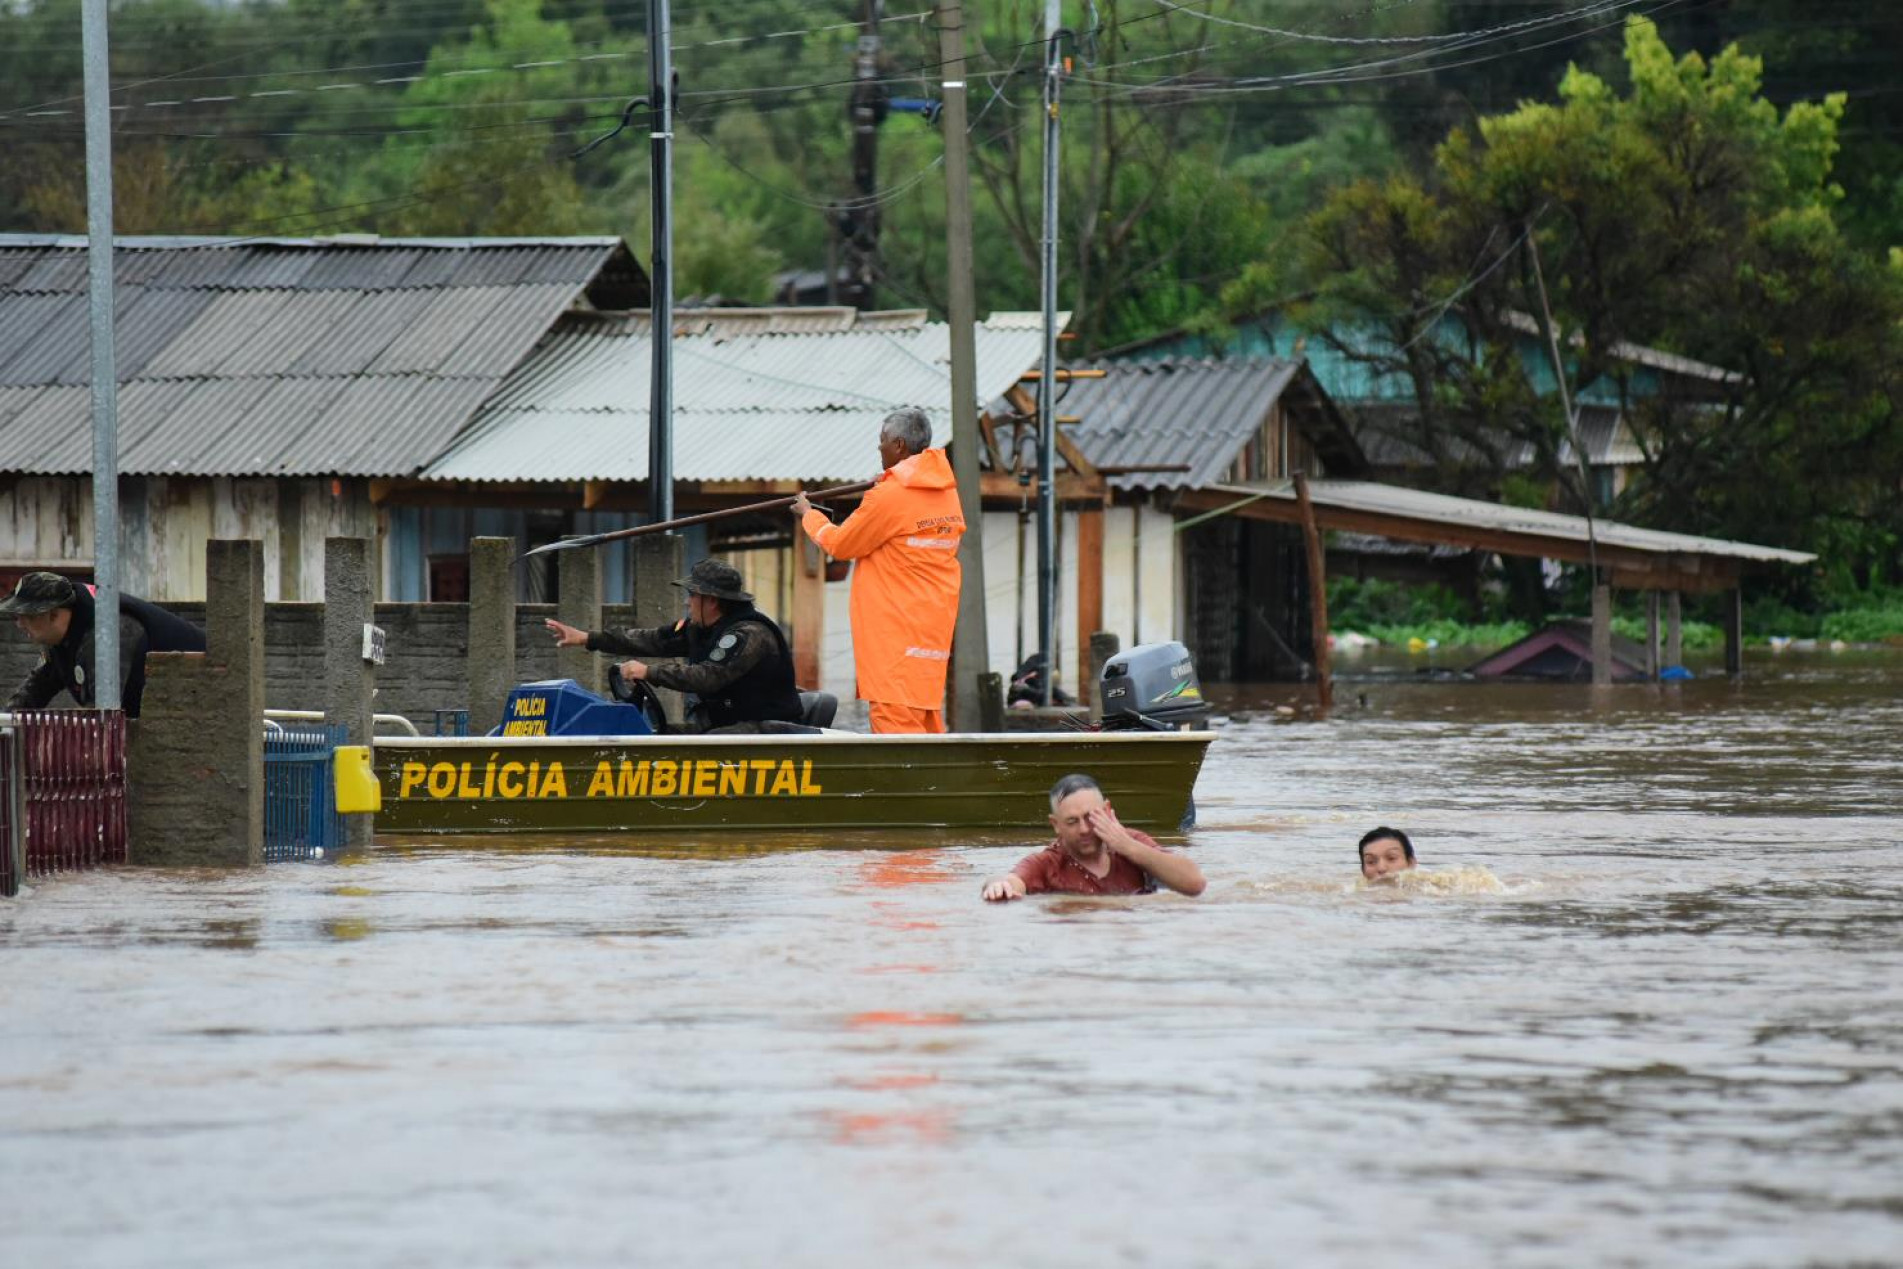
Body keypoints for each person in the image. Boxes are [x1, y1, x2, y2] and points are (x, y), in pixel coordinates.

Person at [789, 407, 963, 734]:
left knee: (896, 741)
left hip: (894, 639)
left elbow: (841, 544)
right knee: (926, 728)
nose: (878, 448)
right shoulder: (945, 492)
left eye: (882, 441)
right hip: (929, 638)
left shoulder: (891, 495)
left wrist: (808, 514)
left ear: (898, 446)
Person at [544, 557, 802, 734]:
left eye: (693, 595)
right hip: (726, 723)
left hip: (765, 729)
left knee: (700, 748)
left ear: (711, 601)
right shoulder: (702, 629)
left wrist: (648, 672)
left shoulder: (748, 634)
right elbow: (654, 639)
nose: (688, 602)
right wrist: (589, 638)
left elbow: (707, 677)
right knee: (662, 735)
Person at [2, 571, 207, 720]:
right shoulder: (62, 639)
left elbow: (101, 716)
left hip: (201, 708)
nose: (19, 624)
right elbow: (34, 691)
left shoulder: (106, 632)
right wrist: (6, 722)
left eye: (26, 616)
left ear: (54, 614)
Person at [982, 773, 1206, 901]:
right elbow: (1011, 881)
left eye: (1091, 817)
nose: (1084, 829)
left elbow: (1195, 884)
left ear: (1107, 810)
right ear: (1055, 825)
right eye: (1072, 821)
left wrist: (1129, 847)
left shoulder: (1131, 843)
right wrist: (997, 886)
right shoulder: (1048, 863)